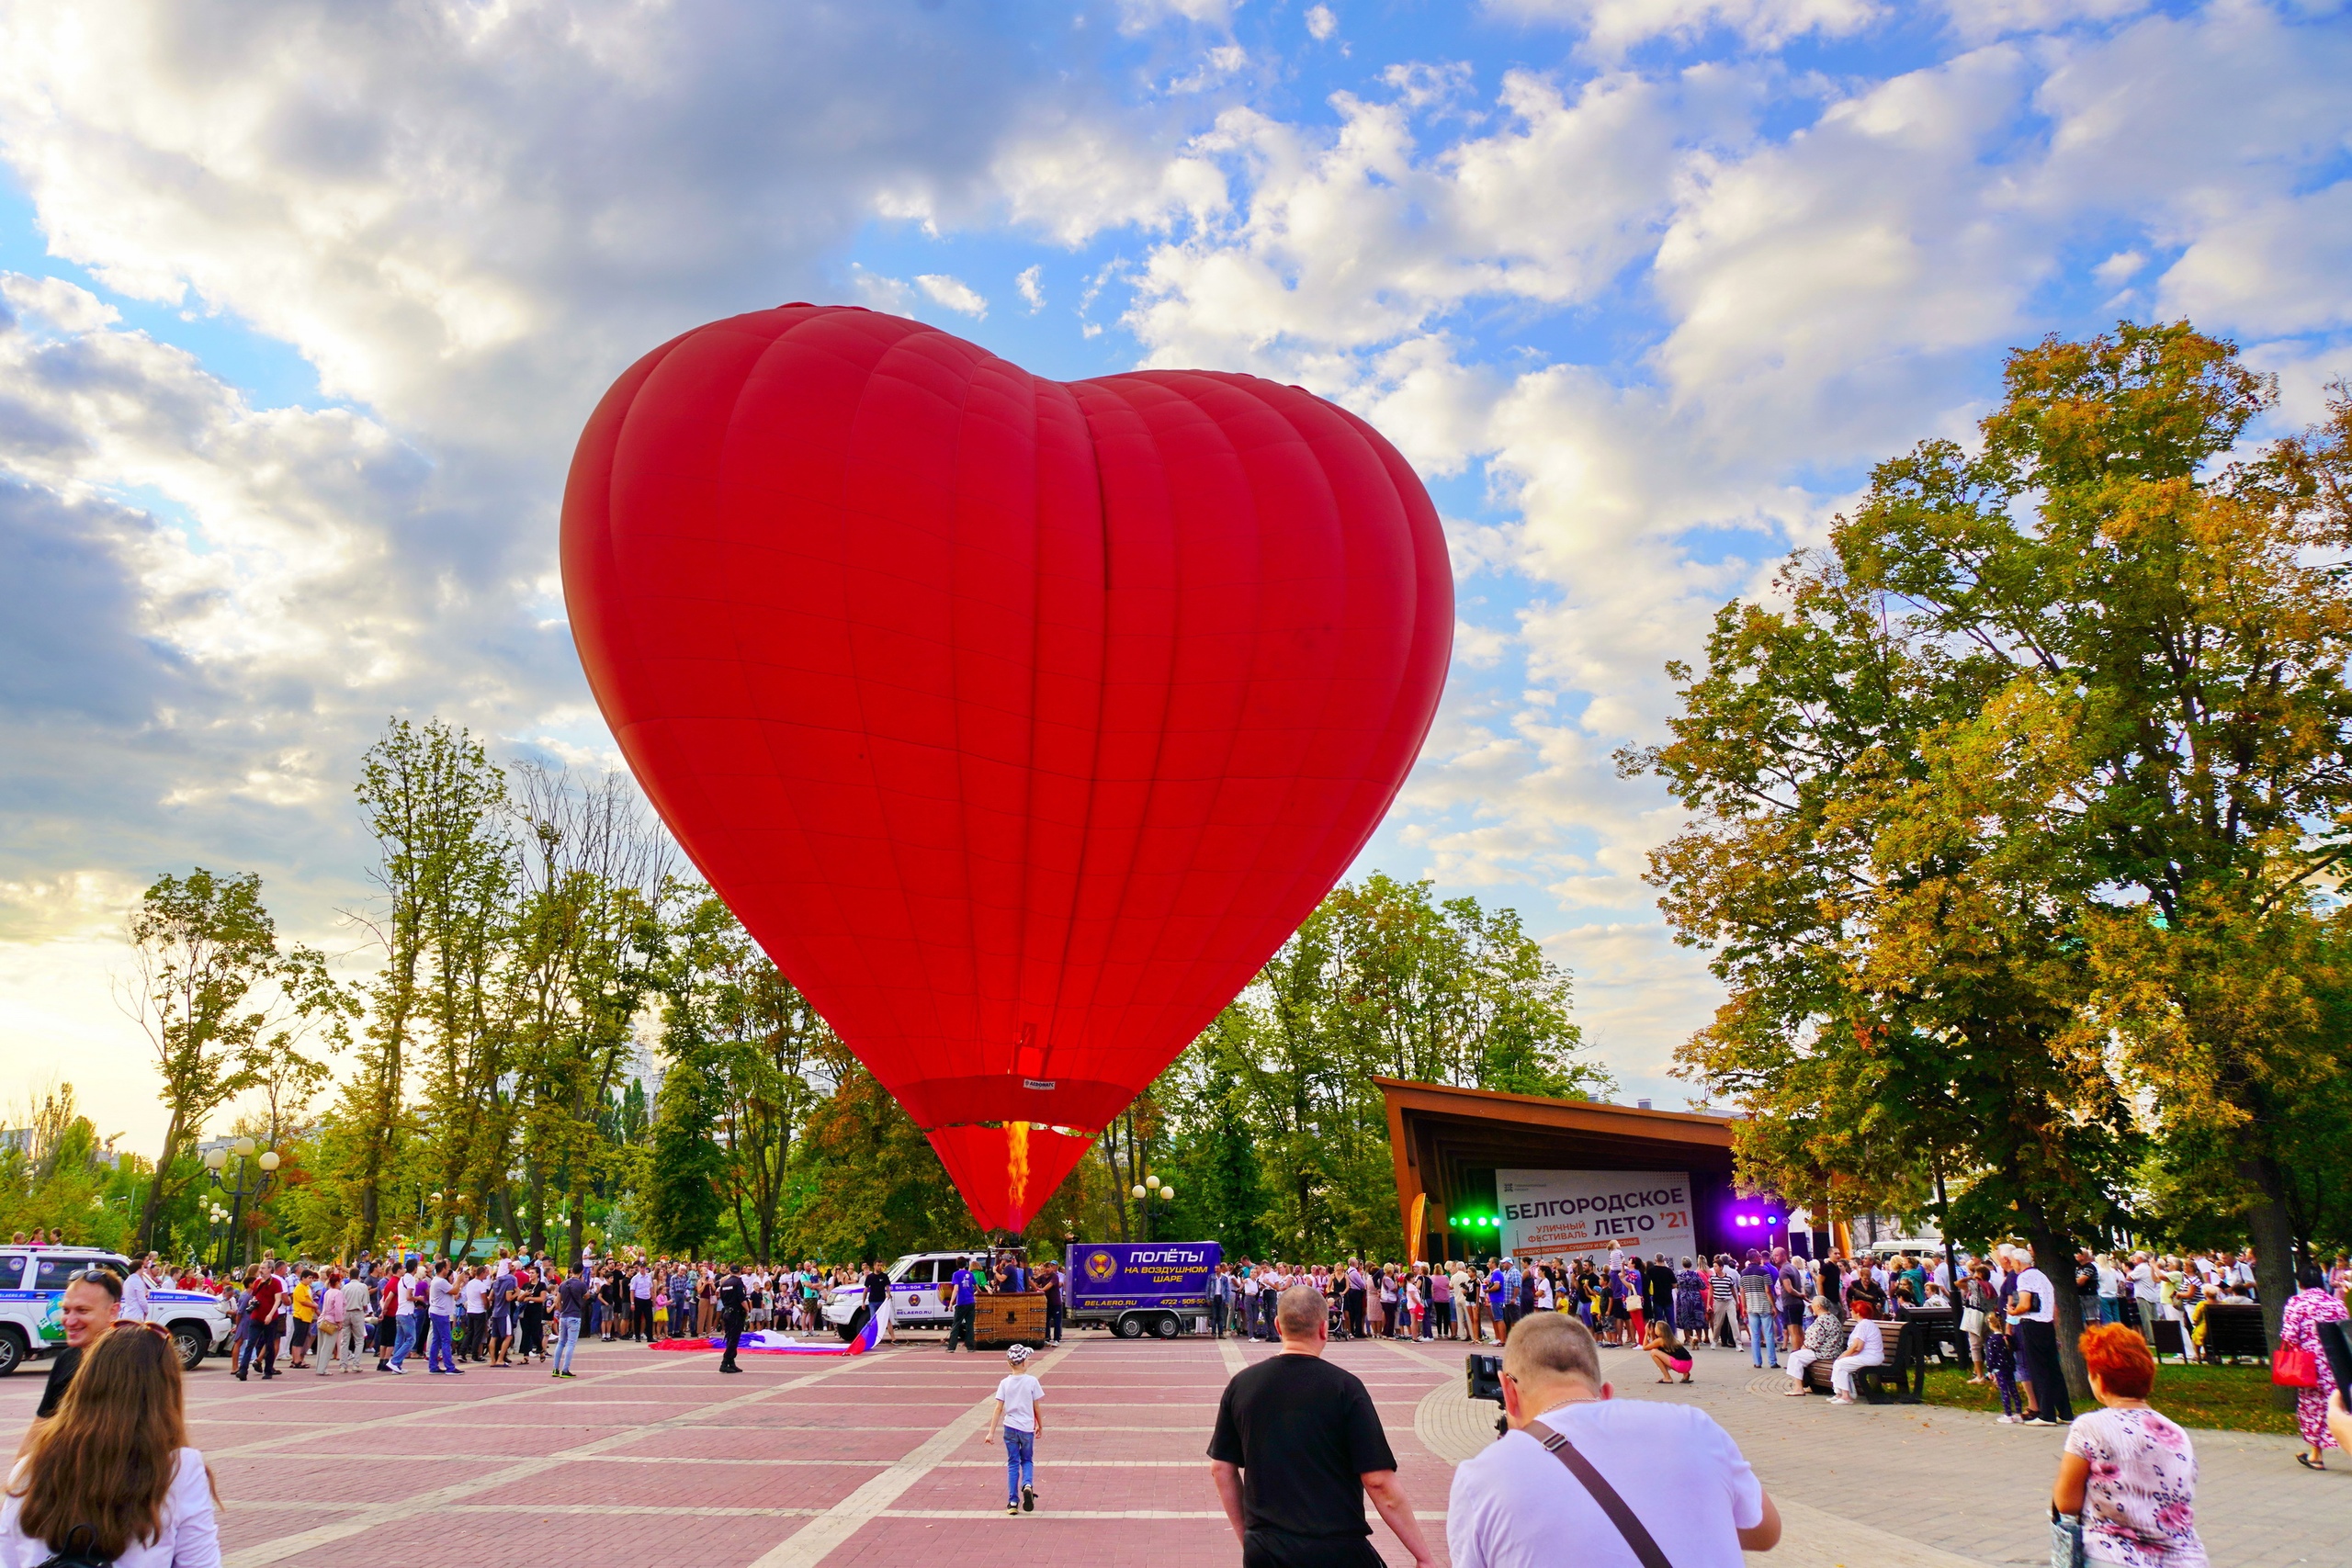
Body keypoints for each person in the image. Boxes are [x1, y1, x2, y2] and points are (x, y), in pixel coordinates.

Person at [1447, 1310, 1779, 1568]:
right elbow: (1766, 1531)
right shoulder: (1695, 1425)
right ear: (1605, 1394)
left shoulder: (1481, 1477)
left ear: (1508, 1390)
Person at [1208, 1284, 1434, 1568]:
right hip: (1336, 1548)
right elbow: (1378, 1481)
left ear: (1278, 1326)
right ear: (1324, 1329)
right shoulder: (1344, 1387)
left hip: (1266, 1547)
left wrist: (1251, 1540)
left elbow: (1221, 1470)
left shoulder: (1241, 1385)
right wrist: (1423, 1557)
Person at [0, 1325, 221, 1568]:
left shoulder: (27, 1469)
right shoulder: (178, 1469)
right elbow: (200, 1563)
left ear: (84, 1382)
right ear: (164, 1392)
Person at [2052, 1325, 2207, 1567]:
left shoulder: (2090, 1427)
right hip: (2185, 1558)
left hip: (2114, 1557)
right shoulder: (2176, 1431)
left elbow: (2066, 1502)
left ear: (2099, 1380)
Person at [18, 1268, 119, 1458]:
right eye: (65, 1310)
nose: (69, 1321)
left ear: (112, 1312)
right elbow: (39, 1427)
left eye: (82, 1310)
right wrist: (17, 1481)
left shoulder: (134, 1362)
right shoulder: (67, 1359)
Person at [2280, 1263, 2347, 1470]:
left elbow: (2289, 1336)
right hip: (2337, 1365)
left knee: (2312, 1408)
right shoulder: (2336, 1303)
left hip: (2309, 1366)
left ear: (2300, 1282)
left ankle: (2316, 1455)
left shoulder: (2296, 1303)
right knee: (2341, 1407)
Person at [2012, 1247, 2074, 1425]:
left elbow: (2024, 1304)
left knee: (2039, 1369)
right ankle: (2065, 1412)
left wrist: (2013, 1311)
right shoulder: (2042, 1276)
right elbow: (2054, 1307)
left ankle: (2046, 1414)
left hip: (2032, 1324)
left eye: (2014, 1262)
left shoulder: (2024, 1277)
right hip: (2047, 1324)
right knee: (2053, 1369)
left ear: (2018, 1262)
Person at [986, 1343, 1046, 1515]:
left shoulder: (1004, 1383)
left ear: (1009, 1363)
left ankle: (1012, 1502)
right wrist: (1040, 1425)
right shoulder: (1032, 1381)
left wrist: (991, 1432)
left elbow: (998, 1408)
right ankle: (1027, 1484)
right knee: (1027, 1460)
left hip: (1010, 1428)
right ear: (1025, 1363)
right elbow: (1037, 1407)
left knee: (1013, 1463)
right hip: (1027, 1428)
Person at [1782, 1293, 1843, 1396]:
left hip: (1825, 1352)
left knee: (1795, 1356)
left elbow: (1813, 1343)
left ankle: (1798, 1388)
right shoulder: (1832, 1318)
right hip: (1833, 1351)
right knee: (1800, 1356)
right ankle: (1809, 1386)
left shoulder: (1821, 1321)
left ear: (1819, 1306)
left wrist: (1802, 1349)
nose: (1811, 1307)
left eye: (1813, 1305)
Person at [1827, 1299, 1883, 1404]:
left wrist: (1844, 1355)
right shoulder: (1865, 1324)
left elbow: (1858, 1347)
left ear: (1858, 1313)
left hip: (1871, 1357)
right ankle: (1839, 1393)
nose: (1851, 1312)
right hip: (1869, 1356)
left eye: (1852, 1310)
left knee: (1841, 1364)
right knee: (1839, 1363)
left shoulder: (1863, 1325)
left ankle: (1846, 1397)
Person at [551, 1264, 589, 1379]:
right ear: (581, 1271)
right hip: (574, 1315)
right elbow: (587, 1296)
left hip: (564, 1315)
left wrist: (561, 1309)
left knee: (561, 1342)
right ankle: (565, 1369)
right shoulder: (581, 1284)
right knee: (571, 1343)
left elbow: (557, 1301)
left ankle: (555, 1368)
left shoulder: (563, 1284)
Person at [717, 1263, 748, 1372]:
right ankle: (725, 1362)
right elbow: (742, 1298)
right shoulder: (738, 1282)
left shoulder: (724, 1283)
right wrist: (748, 1310)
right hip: (736, 1313)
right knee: (734, 1339)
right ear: (739, 1272)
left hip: (726, 1312)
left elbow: (720, 1296)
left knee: (730, 1337)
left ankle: (731, 1362)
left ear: (730, 1272)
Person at [1643, 1319, 1693, 1384]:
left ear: (1660, 1330)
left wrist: (1646, 1333)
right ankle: (1686, 1374)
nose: (1654, 1328)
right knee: (1660, 1352)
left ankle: (1667, 1377)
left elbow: (1645, 1347)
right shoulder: (1671, 1339)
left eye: (1656, 1327)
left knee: (1653, 1352)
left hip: (1681, 1365)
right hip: (1689, 1364)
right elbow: (1655, 1345)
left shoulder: (1661, 1340)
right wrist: (1651, 1334)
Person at [945, 1257, 978, 1354]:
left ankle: (951, 1347)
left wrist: (951, 1303)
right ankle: (970, 1347)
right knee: (970, 1325)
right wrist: (979, 1292)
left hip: (961, 1302)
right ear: (966, 1264)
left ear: (957, 1264)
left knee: (956, 1324)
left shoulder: (956, 1275)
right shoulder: (970, 1274)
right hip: (971, 1302)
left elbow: (956, 1289)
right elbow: (976, 1286)